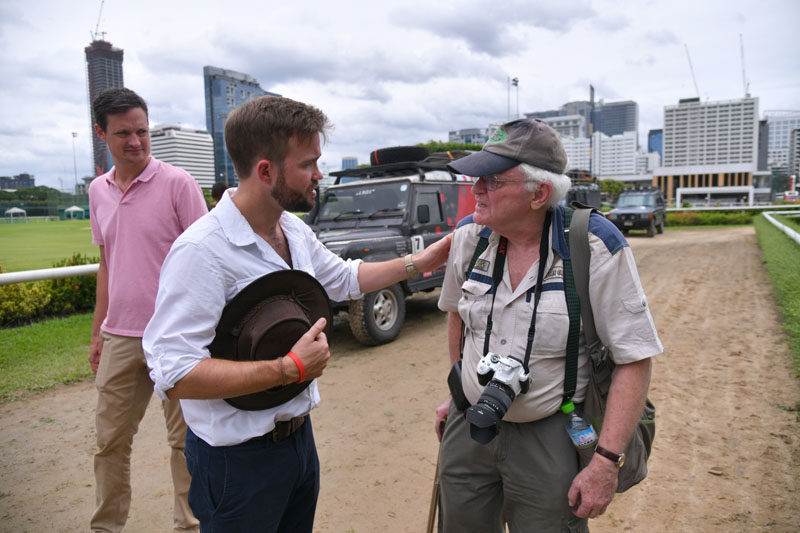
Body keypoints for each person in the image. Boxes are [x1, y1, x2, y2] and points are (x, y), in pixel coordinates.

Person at [142, 95, 452, 532]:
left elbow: (342, 279)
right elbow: (173, 373)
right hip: (237, 463)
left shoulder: (290, 227)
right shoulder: (201, 252)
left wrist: (421, 263)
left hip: (297, 443)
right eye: (308, 164)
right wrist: (287, 369)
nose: (319, 175)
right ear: (266, 171)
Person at [433, 118, 662, 532]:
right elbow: (457, 316)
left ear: (539, 193)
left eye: (492, 181)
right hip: (469, 427)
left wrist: (605, 462)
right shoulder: (470, 238)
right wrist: (458, 390)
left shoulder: (594, 246)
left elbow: (634, 360)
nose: (475, 191)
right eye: (476, 178)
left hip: (552, 433)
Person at [88, 87, 208, 533]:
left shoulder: (179, 184)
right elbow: (106, 264)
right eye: (123, 133)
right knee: (110, 443)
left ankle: (190, 526)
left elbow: (206, 260)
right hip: (120, 336)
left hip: (177, 336)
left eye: (141, 131)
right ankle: (106, 527)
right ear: (102, 134)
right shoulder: (96, 191)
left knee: (185, 443)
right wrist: (98, 330)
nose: (135, 141)